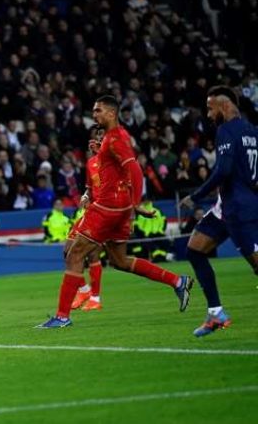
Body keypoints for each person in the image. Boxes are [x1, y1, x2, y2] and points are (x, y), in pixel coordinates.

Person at [38, 96, 193, 328]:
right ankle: (177, 281)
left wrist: (136, 202)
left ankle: (62, 315)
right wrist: (102, 152)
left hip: (107, 208)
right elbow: (116, 168)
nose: (95, 115)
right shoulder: (112, 140)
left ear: (111, 113)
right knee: (119, 261)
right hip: (117, 210)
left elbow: (135, 169)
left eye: (98, 110)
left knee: (74, 255)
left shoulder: (116, 137)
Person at [179, 86, 258, 337]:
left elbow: (222, 171)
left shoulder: (226, 130)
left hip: (238, 208)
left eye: (211, 108)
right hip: (229, 206)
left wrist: (196, 196)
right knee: (194, 249)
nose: (209, 114)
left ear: (224, 106)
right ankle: (216, 313)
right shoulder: (252, 131)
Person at [69, 128, 106, 312]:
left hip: (106, 213)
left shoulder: (114, 160)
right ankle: (85, 290)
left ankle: (95, 297)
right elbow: (91, 187)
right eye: (96, 137)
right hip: (91, 211)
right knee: (68, 250)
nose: (97, 140)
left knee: (94, 254)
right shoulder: (91, 163)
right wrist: (85, 195)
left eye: (101, 137)